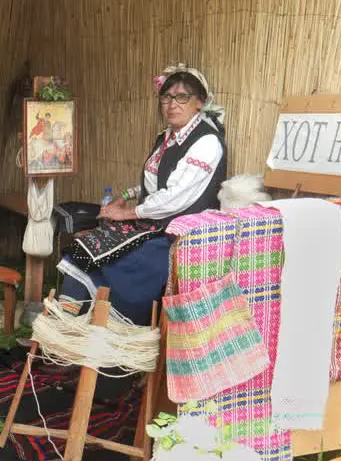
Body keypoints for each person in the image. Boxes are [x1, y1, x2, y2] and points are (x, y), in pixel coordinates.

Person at [59, 64, 228, 324]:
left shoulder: (206, 142)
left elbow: (175, 197)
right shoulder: (168, 137)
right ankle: (69, 323)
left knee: (106, 256)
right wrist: (127, 194)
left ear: (199, 103)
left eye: (182, 97)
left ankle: (110, 327)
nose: (172, 104)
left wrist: (127, 213)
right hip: (154, 223)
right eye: (167, 97)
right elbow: (156, 180)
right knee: (84, 247)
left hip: (178, 235)